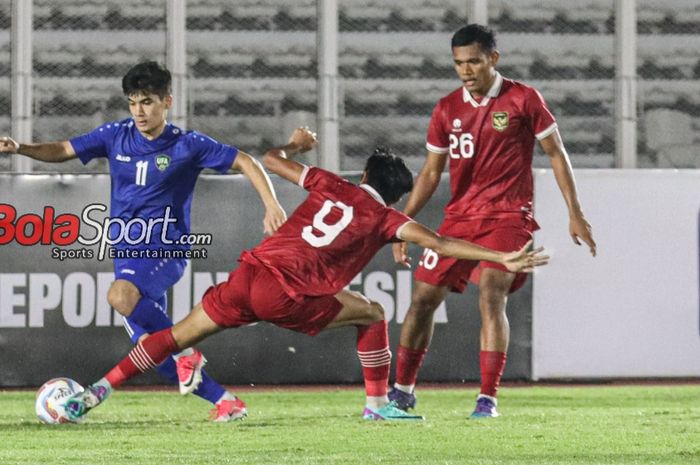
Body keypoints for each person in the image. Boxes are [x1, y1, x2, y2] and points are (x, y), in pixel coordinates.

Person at [62, 127, 549, 423]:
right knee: (374, 313)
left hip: (250, 275)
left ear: (362, 178)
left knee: (173, 336)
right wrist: (499, 257)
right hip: (288, 294)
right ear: (396, 196)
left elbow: (272, 161)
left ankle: (97, 391)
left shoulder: (331, 183)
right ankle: (379, 405)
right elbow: (440, 244)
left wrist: (293, 145)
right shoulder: (387, 219)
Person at [0, 61, 287, 422]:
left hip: (166, 250)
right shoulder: (115, 135)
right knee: (153, 350)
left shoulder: (188, 144)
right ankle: (226, 403)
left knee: (120, 296)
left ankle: (186, 354)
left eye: (148, 102)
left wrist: (271, 204)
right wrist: (20, 148)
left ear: (167, 101)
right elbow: (62, 149)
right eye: (133, 102)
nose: (139, 111)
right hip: (127, 252)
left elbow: (246, 161)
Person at [387, 24, 597, 418]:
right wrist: (402, 221)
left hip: (508, 216)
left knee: (490, 294)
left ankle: (487, 399)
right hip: (459, 219)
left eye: (474, 62)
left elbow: (555, 153)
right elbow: (432, 174)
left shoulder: (523, 98)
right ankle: (402, 392)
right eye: (458, 64)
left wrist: (576, 212)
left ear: (493, 60)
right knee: (422, 300)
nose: (466, 70)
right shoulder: (447, 107)